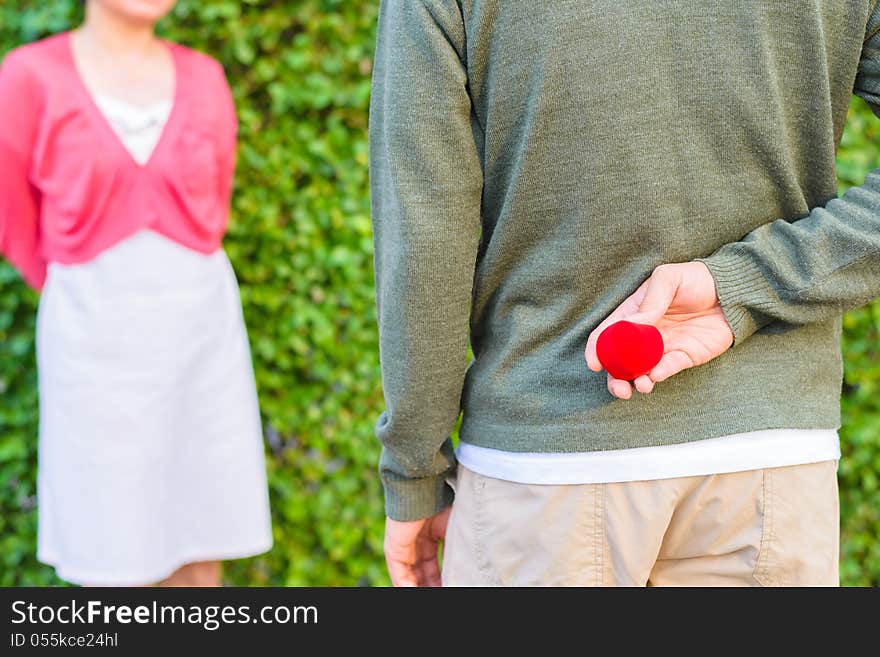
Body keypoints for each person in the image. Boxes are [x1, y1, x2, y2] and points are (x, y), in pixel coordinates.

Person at [369, 0, 880, 586]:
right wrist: (754, 284)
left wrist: (414, 473)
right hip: (769, 467)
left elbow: (426, 236)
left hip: (545, 472)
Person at [0, 0, 272, 586]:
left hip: (202, 339)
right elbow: (14, 221)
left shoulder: (205, 76)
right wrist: (85, 292)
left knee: (202, 541)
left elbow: (214, 204)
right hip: (90, 345)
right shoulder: (28, 76)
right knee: (110, 544)